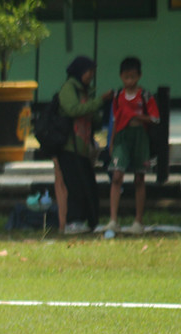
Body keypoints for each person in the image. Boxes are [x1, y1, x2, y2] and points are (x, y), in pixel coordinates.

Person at [96, 56, 160, 236]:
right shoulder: (118, 96)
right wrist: (112, 141)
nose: (129, 81)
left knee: (140, 178)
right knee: (117, 176)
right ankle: (113, 220)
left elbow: (155, 118)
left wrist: (135, 117)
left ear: (139, 76)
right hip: (122, 137)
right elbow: (116, 120)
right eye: (126, 77)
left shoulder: (145, 96)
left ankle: (138, 221)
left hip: (140, 137)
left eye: (133, 77)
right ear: (121, 77)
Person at [55, 55, 113, 235]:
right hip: (69, 147)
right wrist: (99, 101)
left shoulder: (85, 91)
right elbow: (73, 110)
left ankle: (89, 221)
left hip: (83, 148)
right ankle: (73, 222)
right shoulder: (69, 88)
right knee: (75, 186)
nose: (91, 76)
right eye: (89, 72)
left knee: (88, 185)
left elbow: (92, 117)